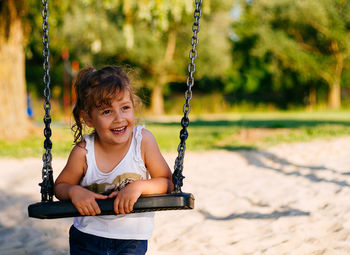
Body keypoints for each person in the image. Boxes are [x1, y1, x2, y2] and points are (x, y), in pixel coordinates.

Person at [54, 66, 174, 255]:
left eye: (125, 108)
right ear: (89, 118)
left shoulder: (143, 142)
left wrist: (139, 187)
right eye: (107, 112)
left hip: (131, 239)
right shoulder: (84, 151)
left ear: (133, 106)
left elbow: (167, 183)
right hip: (87, 236)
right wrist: (74, 191)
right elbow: (60, 186)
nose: (119, 118)